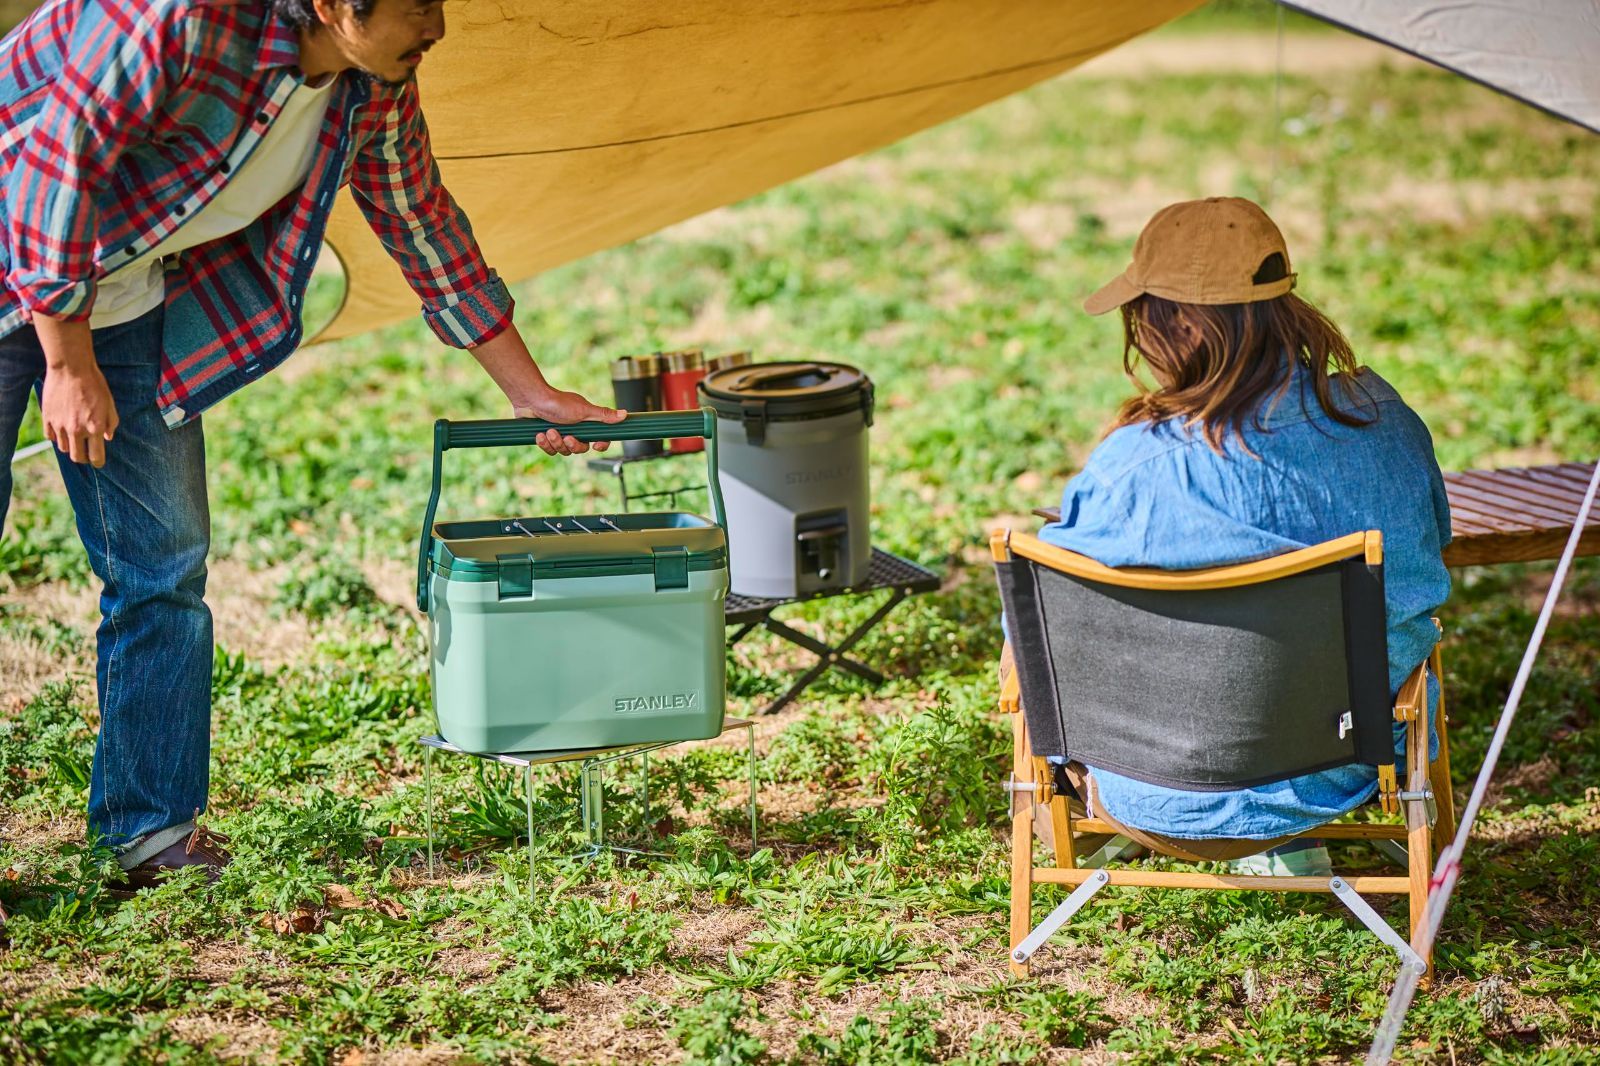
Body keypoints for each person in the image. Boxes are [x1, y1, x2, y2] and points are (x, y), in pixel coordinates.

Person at [0, 0, 624, 888]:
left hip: (119, 290)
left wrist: (527, 389)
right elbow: (56, 162)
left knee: (162, 564)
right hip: (14, 250)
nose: (438, 25)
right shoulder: (181, 19)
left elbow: (422, 223)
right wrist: (66, 359)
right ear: (334, 5)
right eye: (418, 7)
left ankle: (149, 833)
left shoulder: (373, 87)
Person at [1036, 196, 1451, 873]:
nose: (1137, 336)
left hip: (1158, 788)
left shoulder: (1138, 464)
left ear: (1188, 326)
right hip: (1348, 769)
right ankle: (1287, 833)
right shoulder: (1387, 425)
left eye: (1140, 316)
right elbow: (1425, 562)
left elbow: (1051, 632)